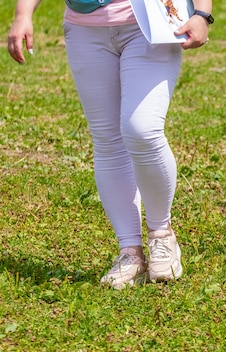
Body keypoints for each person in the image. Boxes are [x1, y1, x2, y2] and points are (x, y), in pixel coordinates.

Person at [7, 0, 214, 288]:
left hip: (149, 22)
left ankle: (161, 235)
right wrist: (23, 14)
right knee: (107, 140)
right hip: (85, 29)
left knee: (142, 129)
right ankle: (130, 253)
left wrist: (203, 13)